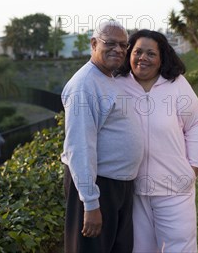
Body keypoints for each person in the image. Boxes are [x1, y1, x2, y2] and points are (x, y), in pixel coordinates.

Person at [115, 29, 198, 253]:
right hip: (133, 188)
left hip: (174, 185)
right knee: (139, 249)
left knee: (180, 247)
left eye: (150, 53)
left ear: (161, 58)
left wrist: (193, 167)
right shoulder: (117, 84)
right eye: (137, 52)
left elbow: (197, 122)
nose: (142, 58)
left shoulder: (176, 84)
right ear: (129, 54)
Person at [61, 20, 144, 253]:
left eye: (123, 45)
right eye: (110, 43)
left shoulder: (108, 78)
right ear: (94, 43)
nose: (118, 49)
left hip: (119, 186)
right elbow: (80, 147)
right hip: (98, 186)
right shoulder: (84, 85)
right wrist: (90, 202)